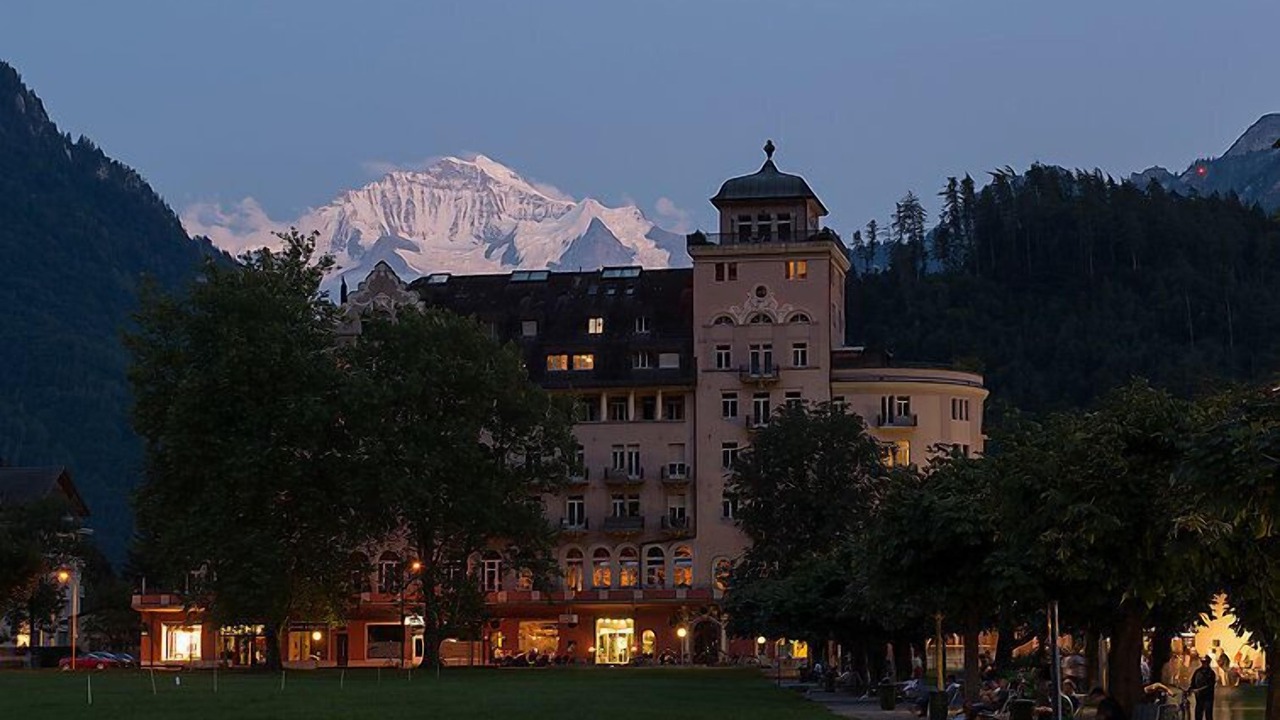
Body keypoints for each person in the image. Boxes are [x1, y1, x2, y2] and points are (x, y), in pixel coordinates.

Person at [1189, 655, 1217, 720]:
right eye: (1203, 662)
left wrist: (1199, 690)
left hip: (1208, 697)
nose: (1205, 664)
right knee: (1198, 712)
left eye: (1206, 662)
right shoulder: (1197, 672)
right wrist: (1191, 689)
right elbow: (1193, 681)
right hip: (1199, 697)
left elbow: (1210, 685)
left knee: (1208, 713)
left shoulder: (1211, 673)